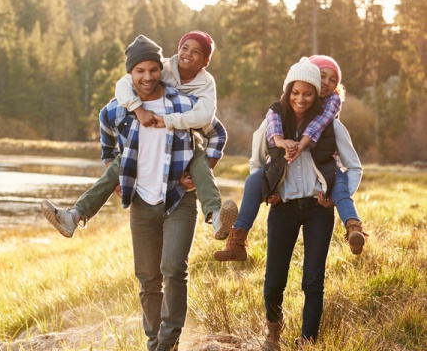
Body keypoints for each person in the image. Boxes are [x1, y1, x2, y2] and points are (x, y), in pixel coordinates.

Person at [41, 31, 237, 241]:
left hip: (186, 143)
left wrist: (201, 168)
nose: (187, 54)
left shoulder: (205, 86)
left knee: (199, 162)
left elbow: (209, 119)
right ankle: (73, 216)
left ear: (205, 61)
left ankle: (216, 217)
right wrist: (138, 109)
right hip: (144, 144)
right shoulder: (161, 69)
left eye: (196, 51)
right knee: (119, 164)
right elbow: (123, 85)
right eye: (184, 48)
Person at [98, 35, 227, 351]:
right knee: (147, 277)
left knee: (173, 268)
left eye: (152, 69)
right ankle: (153, 341)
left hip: (178, 198)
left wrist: (201, 169)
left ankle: (168, 342)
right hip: (141, 199)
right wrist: (113, 174)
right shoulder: (120, 108)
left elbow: (217, 132)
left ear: (161, 69)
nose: (147, 77)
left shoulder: (184, 103)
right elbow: (106, 136)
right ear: (130, 73)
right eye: (139, 71)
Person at [239, 58, 362, 349]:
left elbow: (353, 166)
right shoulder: (274, 121)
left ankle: (308, 341)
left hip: (318, 209)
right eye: (297, 92)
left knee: (313, 280)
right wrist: (268, 190)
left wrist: (333, 196)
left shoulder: (330, 125)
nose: (302, 98)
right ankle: (273, 333)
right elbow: (256, 163)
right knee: (273, 280)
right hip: (283, 207)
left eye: (309, 91)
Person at [213, 55, 368, 262]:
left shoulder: (330, 114)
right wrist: (269, 189)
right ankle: (237, 239)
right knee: (252, 181)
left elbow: (323, 130)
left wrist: (302, 145)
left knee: (339, 186)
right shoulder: (277, 113)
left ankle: (353, 226)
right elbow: (259, 156)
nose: (327, 84)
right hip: (283, 191)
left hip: (325, 174)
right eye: (322, 77)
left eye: (333, 80)